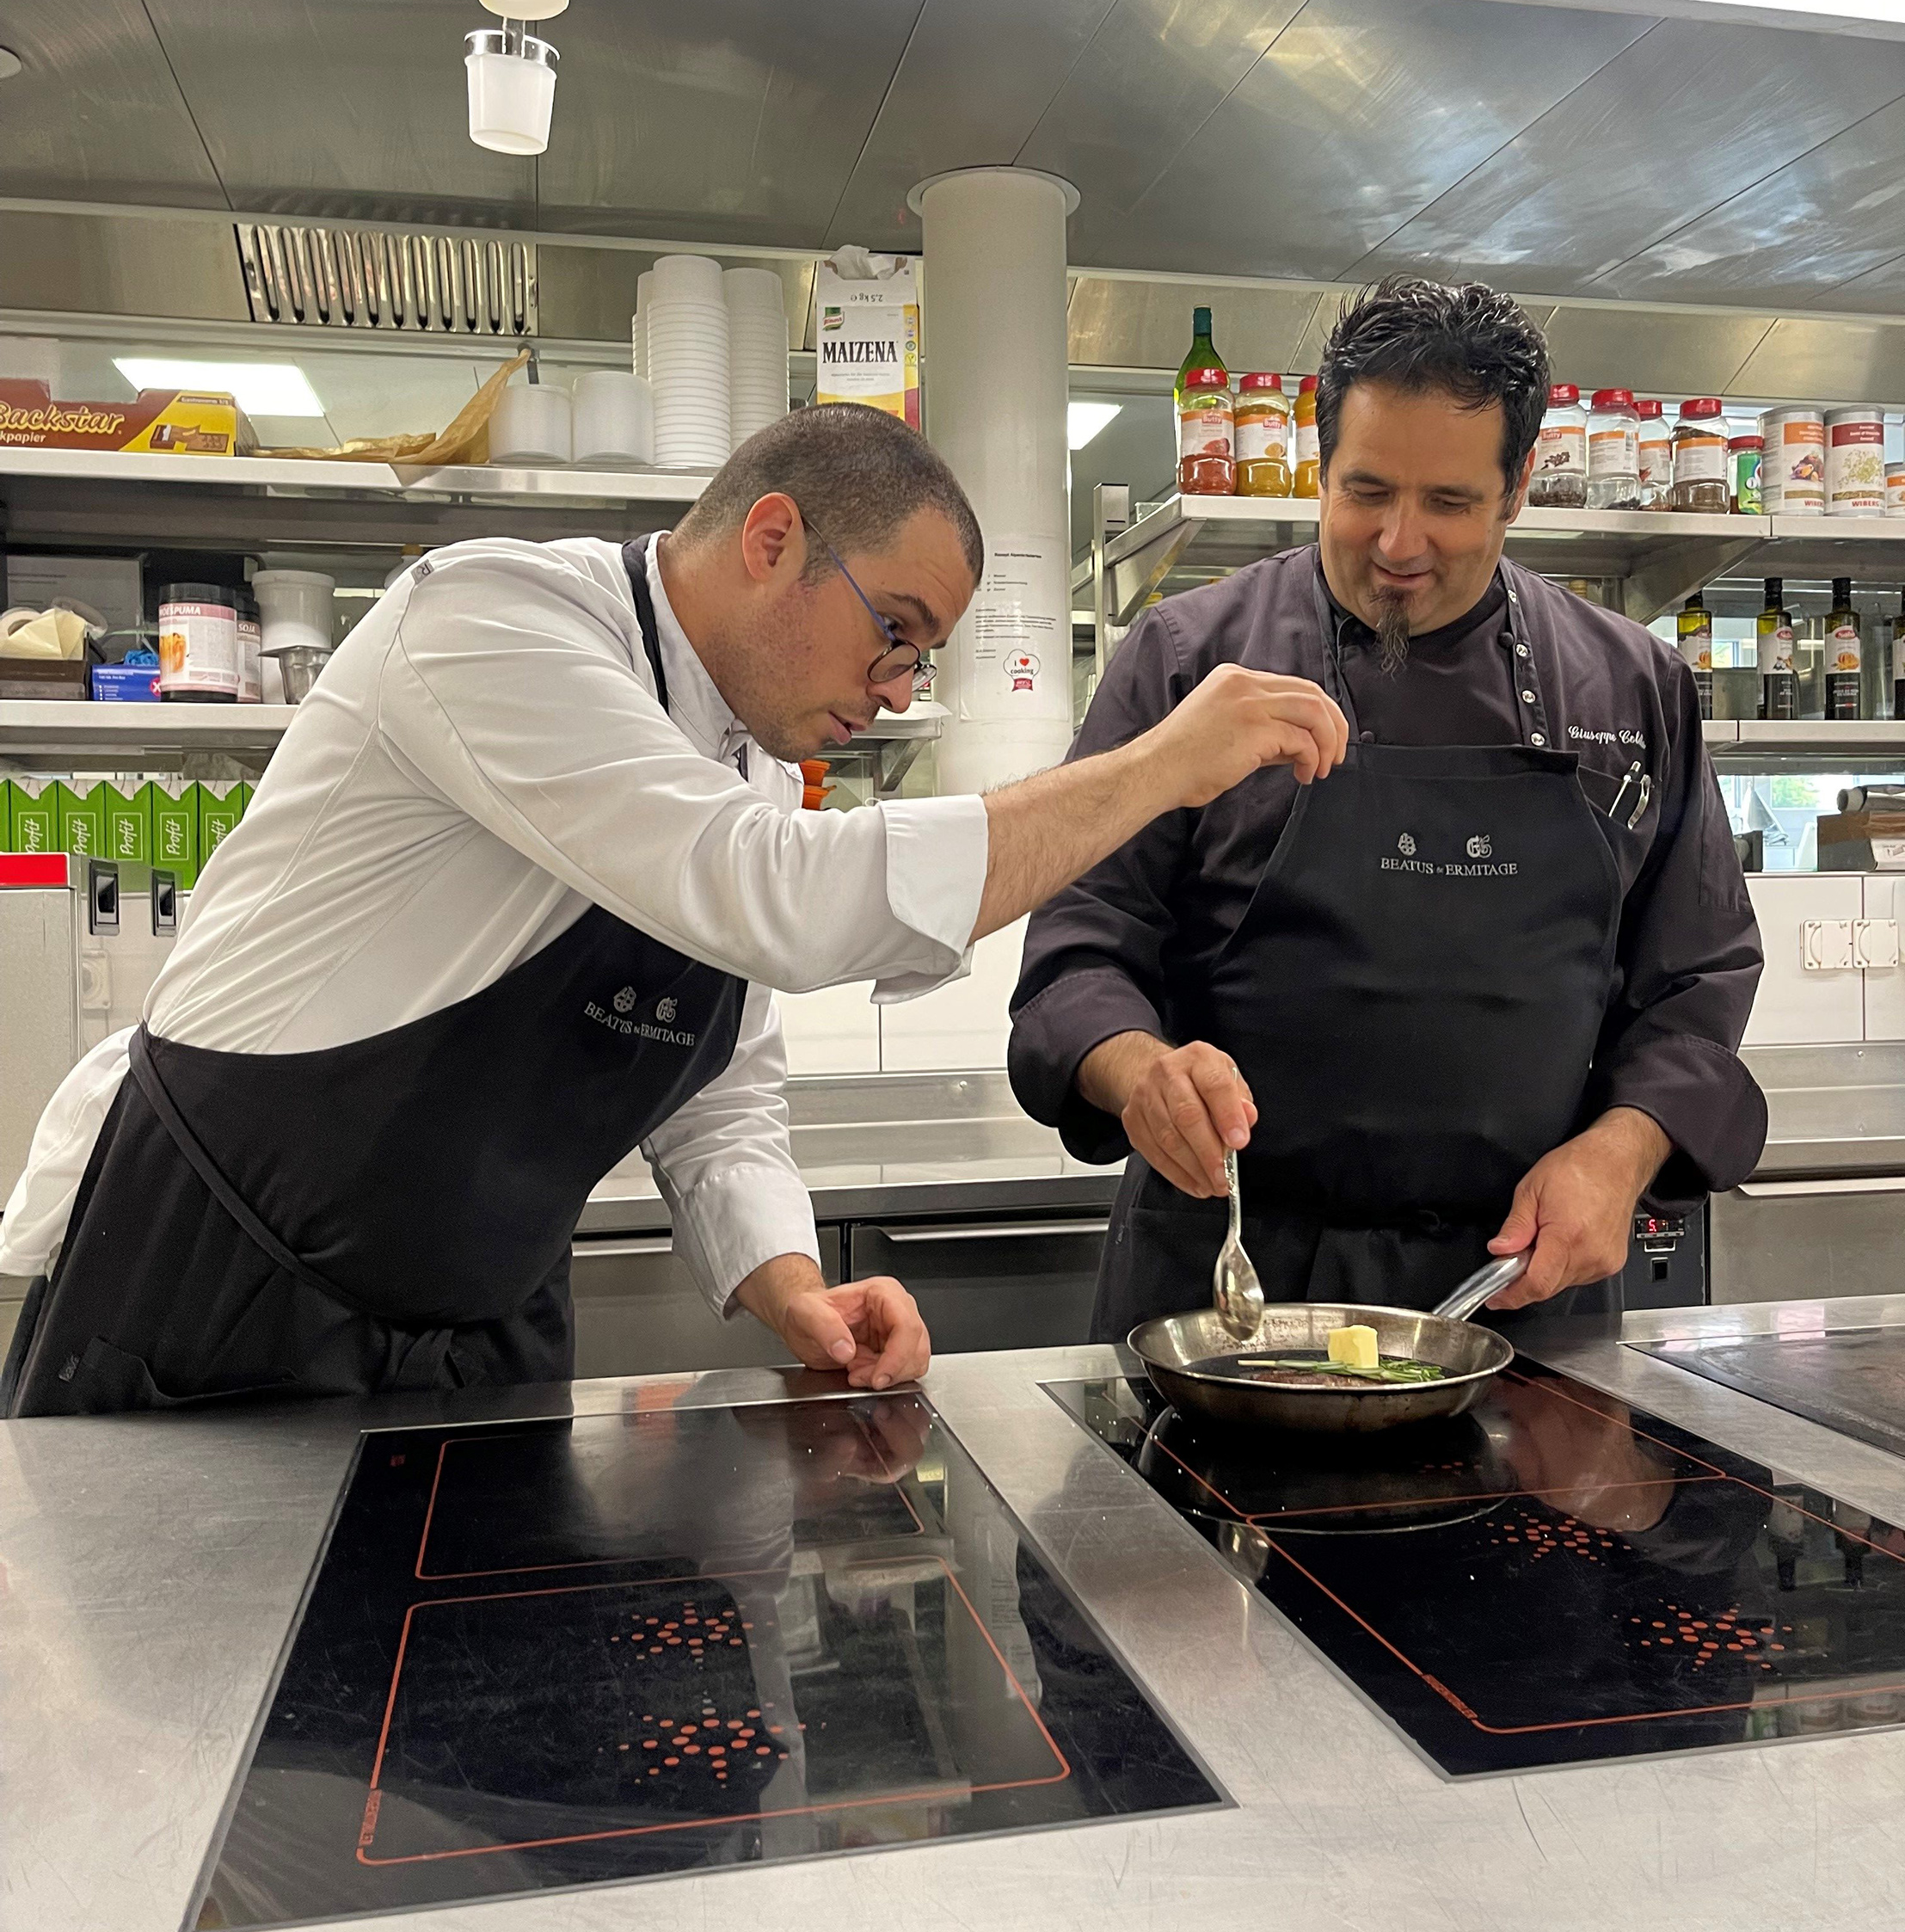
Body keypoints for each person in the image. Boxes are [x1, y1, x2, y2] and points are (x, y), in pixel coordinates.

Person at [2, 403, 1346, 1416]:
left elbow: (718, 1097)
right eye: (894, 630)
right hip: (219, 1301)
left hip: (477, 1332)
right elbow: (778, 900)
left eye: (920, 657)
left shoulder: (746, 761)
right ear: (773, 539)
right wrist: (1159, 765)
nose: (895, 685)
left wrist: (791, 1287)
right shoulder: (489, 621)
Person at [1008, 280, 1766, 1339]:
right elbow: (1077, 951)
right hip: (1226, 1296)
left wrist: (1620, 1150)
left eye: (1448, 503)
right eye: (1364, 491)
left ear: (1516, 491)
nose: (1398, 542)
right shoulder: (1187, 662)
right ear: (1321, 468)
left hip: (1515, 1295)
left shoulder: (1630, 689)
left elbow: (1694, 984)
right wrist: (1137, 1070)